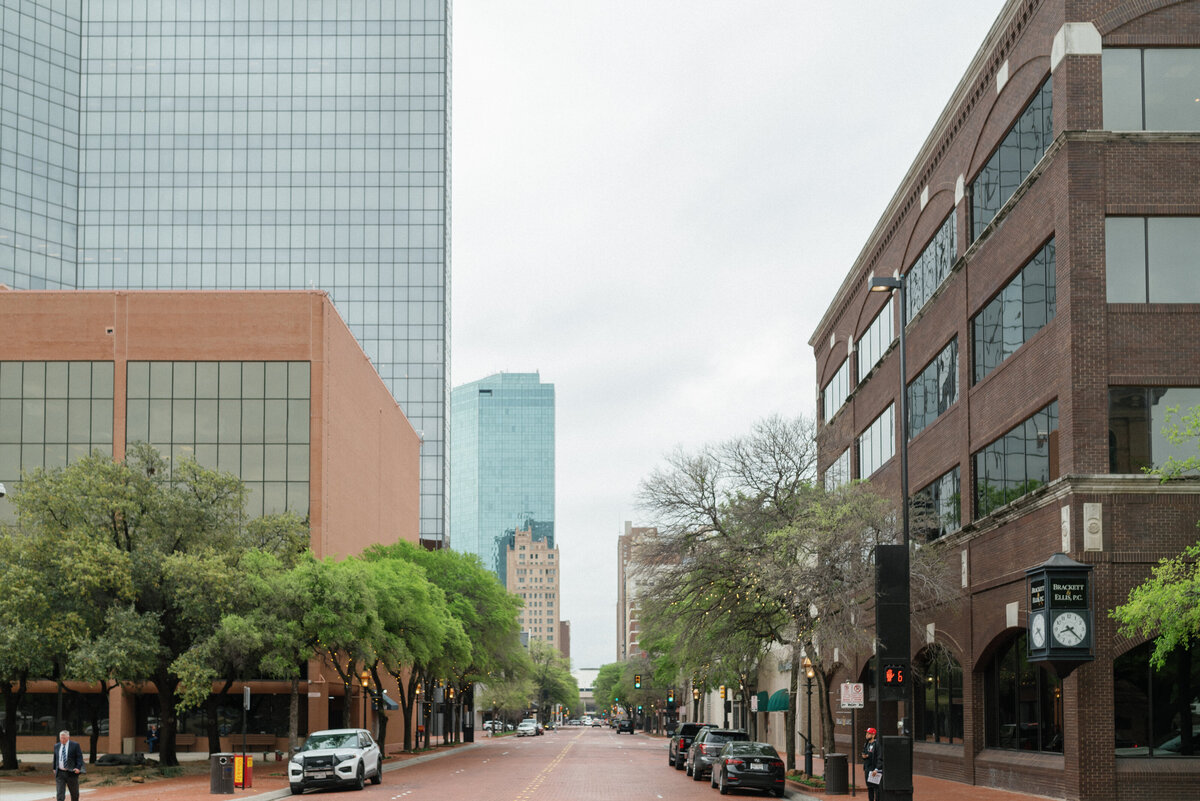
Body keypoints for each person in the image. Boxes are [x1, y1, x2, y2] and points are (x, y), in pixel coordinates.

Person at [52, 730, 84, 801]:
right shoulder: (56, 746)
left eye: (64, 738)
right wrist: (54, 768)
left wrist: (78, 767)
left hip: (71, 772)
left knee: (74, 793)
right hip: (60, 773)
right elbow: (55, 757)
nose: (62, 740)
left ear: (68, 737)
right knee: (60, 793)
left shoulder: (75, 745)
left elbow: (79, 757)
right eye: (61, 738)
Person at [861, 726, 881, 801]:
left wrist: (877, 769)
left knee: (876, 788)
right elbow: (865, 754)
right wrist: (864, 756)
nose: (867, 735)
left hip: (874, 769)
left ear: (873, 735)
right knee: (869, 788)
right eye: (866, 733)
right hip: (867, 769)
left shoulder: (877, 744)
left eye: (869, 733)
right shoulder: (866, 744)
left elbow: (880, 757)